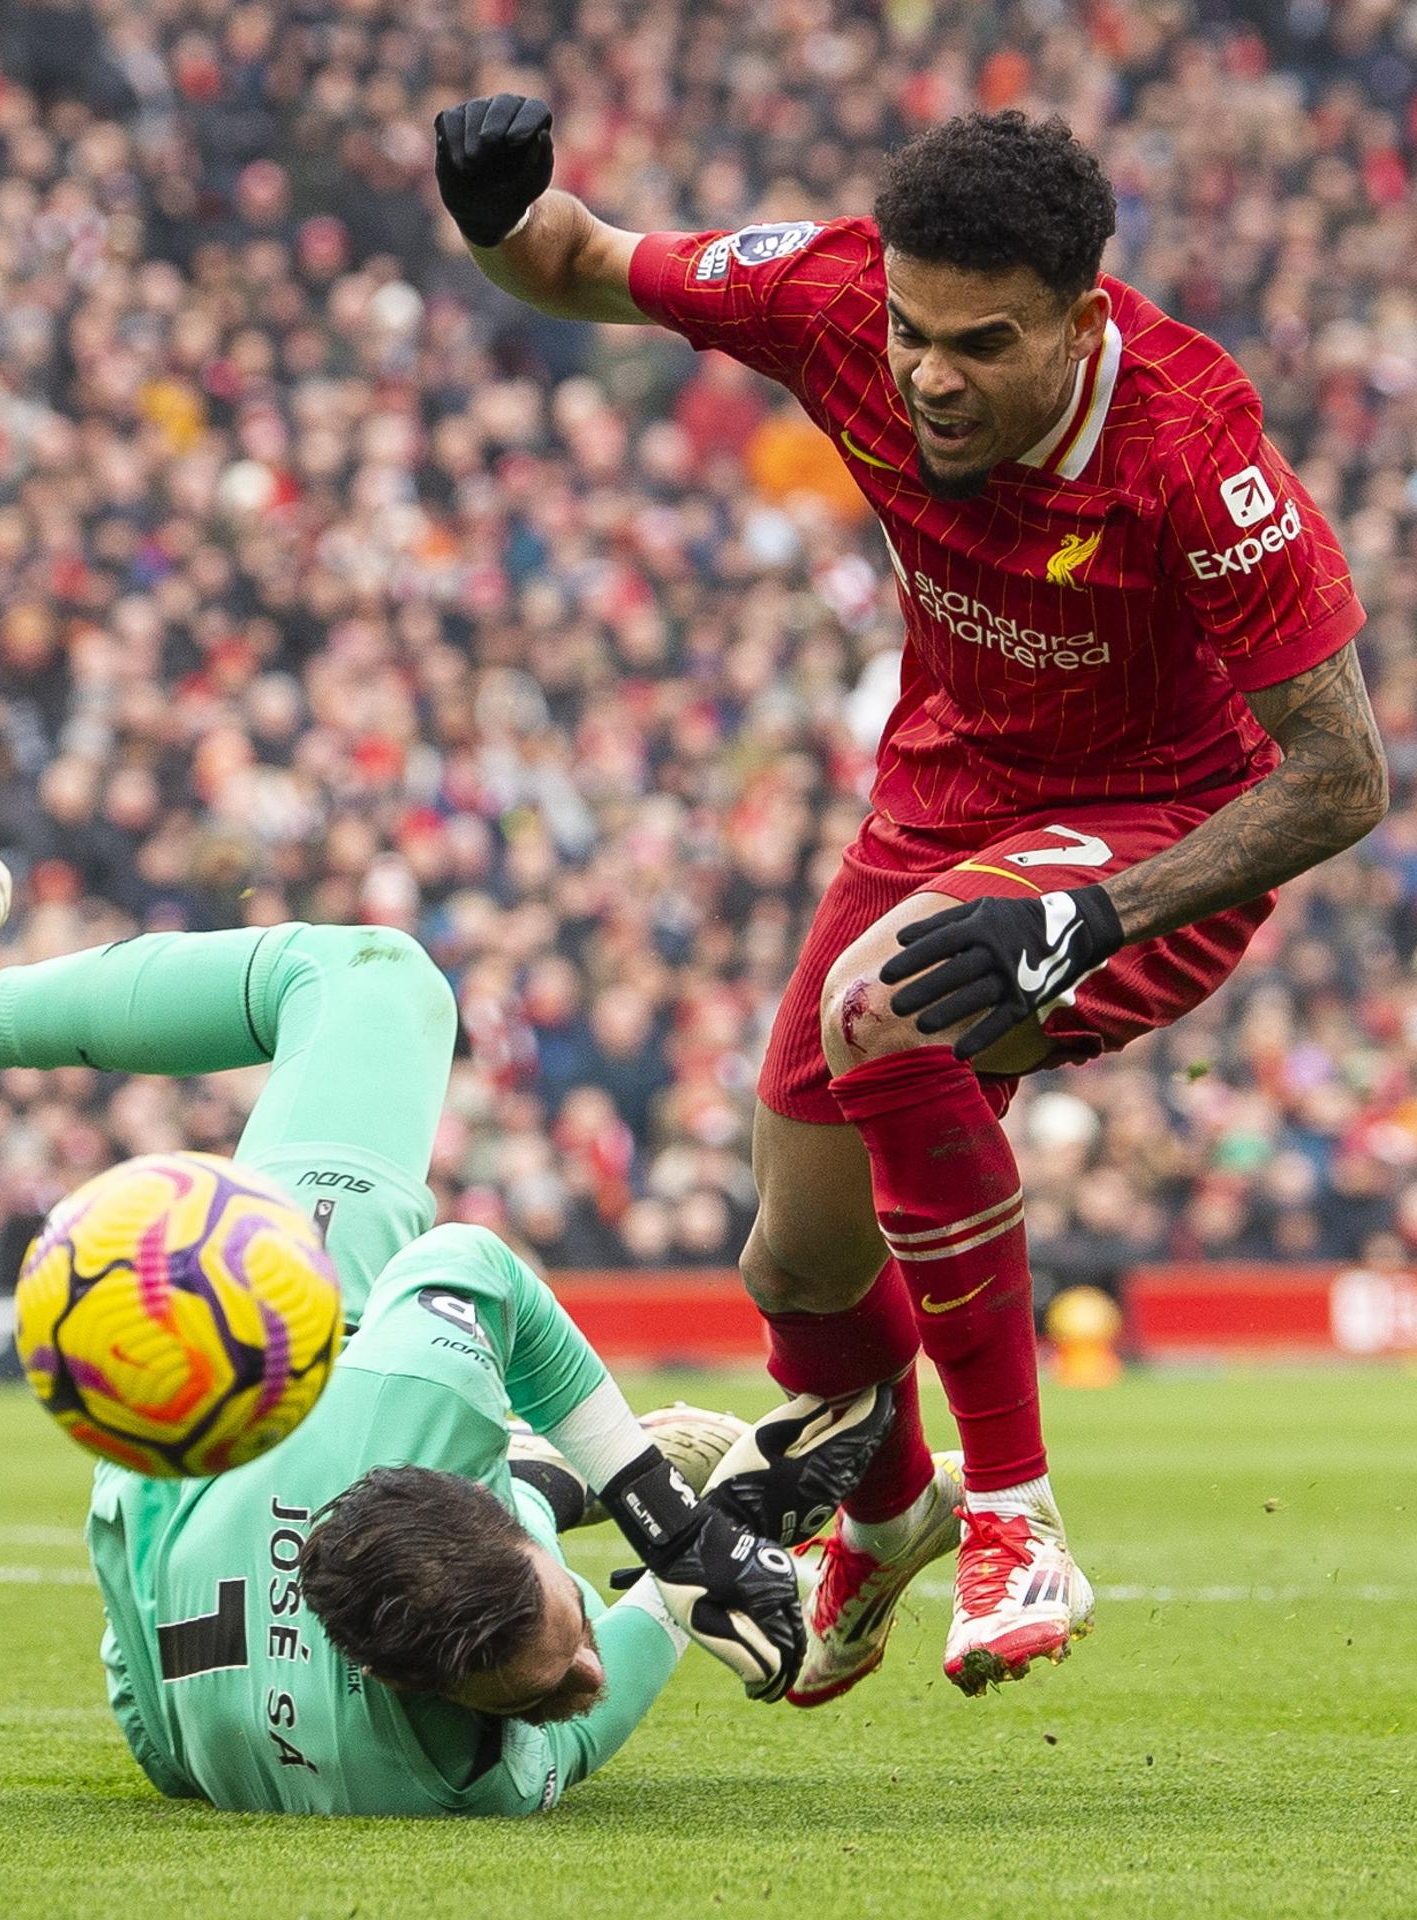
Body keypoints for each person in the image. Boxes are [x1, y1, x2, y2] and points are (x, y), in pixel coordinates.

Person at [432, 97, 1388, 1704]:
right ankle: (890, 1514)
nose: (929, 373)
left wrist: (1095, 914)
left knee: (881, 1007)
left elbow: (1342, 774)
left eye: (980, 341)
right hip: (942, 803)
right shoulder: (829, 301)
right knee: (792, 1264)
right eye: (910, 330)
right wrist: (489, 211)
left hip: (1161, 827)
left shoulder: (1194, 453)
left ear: (1081, 321)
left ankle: (1018, 1516)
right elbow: (576, 260)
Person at [0, 851, 893, 1815]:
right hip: (179, 1629)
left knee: (373, 979)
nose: (587, 1677)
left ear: (397, 1676)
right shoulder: (475, 1775)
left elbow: (474, 1264)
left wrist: (668, 1521)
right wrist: (722, 1512)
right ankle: (533, 1473)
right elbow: (140, 1674)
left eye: (554, 1665)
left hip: (269, 1342)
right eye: (566, 1649)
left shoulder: (400, 1409)